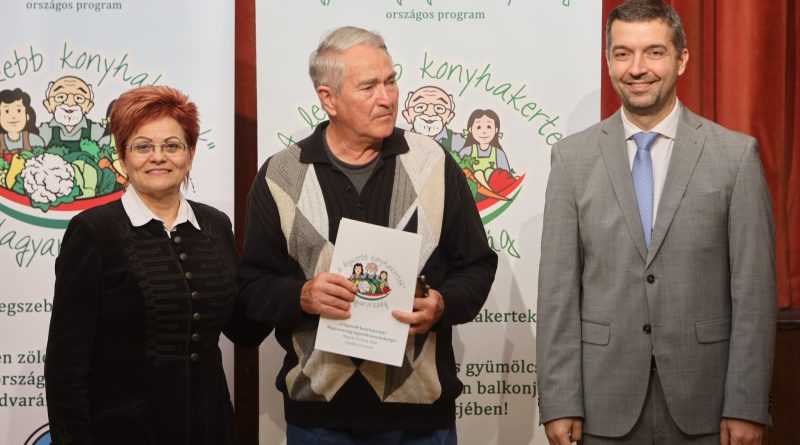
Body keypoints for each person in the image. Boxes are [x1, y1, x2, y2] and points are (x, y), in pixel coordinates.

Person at [239, 26, 497, 444]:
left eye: (390, 81)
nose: (387, 97)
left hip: (421, 419)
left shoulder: (433, 163)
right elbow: (252, 288)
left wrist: (442, 304)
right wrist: (301, 296)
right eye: (369, 86)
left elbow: (477, 266)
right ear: (328, 99)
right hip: (319, 420)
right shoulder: (281, 174)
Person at [536, 1, 777, 444]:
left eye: (654, 52)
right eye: (623, 53)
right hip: (601, 406)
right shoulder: (570, 159)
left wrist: (747, 404)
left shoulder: (735, 156)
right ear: (608, 61)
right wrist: (559, 401)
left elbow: (754, 294)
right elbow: (557, 293)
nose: (637, 68)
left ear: (681, 59)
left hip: (708, 406)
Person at [44, 85, 270, 445]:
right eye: (143, 146)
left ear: (190, 155)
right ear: (122, 157)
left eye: (172, 145)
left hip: (210, 428)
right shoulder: (93, 231)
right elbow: (66, 361)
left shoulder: (215, 225)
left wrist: (288, 282)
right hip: (124, 433)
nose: (158, 157)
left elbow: (245, 330)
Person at [38, 75, 105, 151]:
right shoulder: (43, 132)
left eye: (79, 98)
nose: (70, 103)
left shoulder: (97, 131)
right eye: (60, 97)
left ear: (88, 106)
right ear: (48, 105)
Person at [402, 85, 466, 152]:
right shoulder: (401, 139)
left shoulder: (459, 143)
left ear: (449, 116)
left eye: (439, 108)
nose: (430, 113)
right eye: (420, 107)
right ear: (407, 115)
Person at [0, 88, 46, 153]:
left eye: (18, 110)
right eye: (7, 111)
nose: (13, 116)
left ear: (27, 116)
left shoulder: (35, 141)